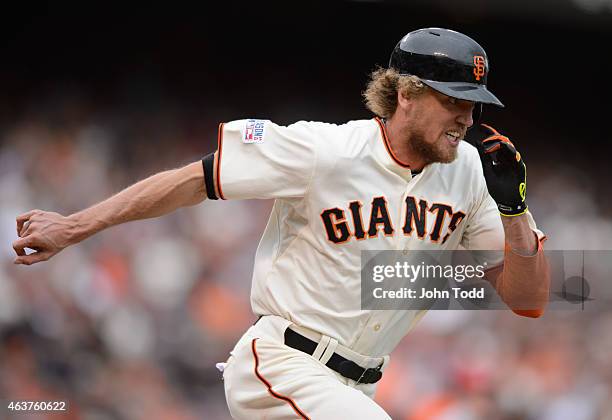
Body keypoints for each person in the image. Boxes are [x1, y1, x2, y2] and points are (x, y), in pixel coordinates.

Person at [12, 28, 550, 419]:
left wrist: (514, 212)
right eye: (452, 98)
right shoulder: (325, 149)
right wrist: (74, 226)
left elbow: (529, 300)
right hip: (282, 362)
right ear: (405, 93)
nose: (467, 117)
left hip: (356, 388)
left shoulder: (472, 176)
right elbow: (194, 179)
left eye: (474, 104)